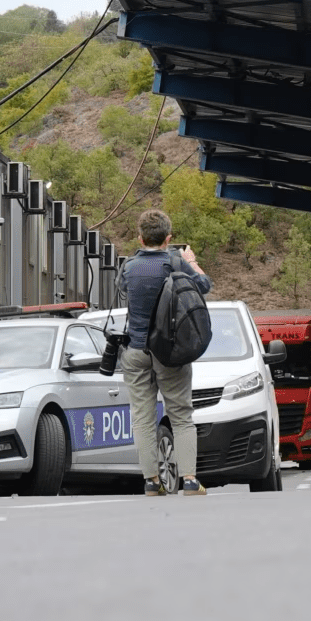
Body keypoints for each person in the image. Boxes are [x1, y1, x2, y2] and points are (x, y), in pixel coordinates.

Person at [119, 209, 213, 495]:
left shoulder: (129, 267)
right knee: (181, 415)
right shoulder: (175, 263)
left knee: (143, 418)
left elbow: (123, 290)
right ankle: (189, 481)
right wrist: (191, 262)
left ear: (140, 237)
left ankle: (151, 481)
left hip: (136, 352)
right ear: (168, 238)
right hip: (168, 353)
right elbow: (205, 285)